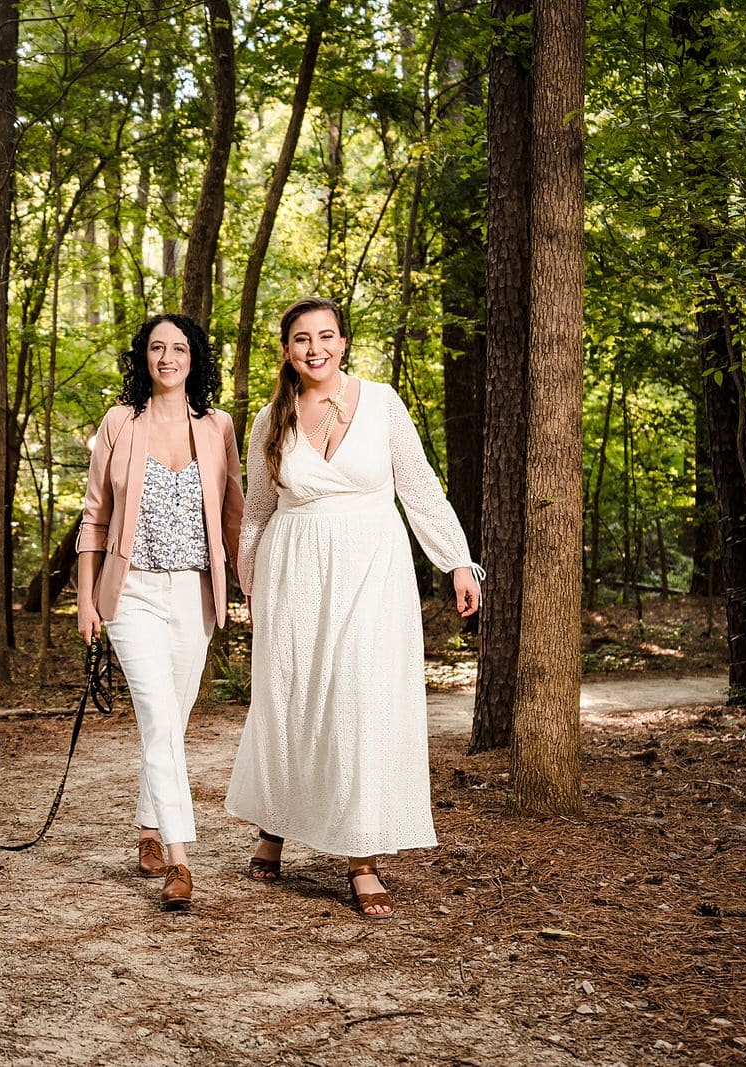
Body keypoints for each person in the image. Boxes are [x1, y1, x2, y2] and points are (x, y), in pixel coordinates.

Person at [224, 297, 483, 919]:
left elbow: (418, 487)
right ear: (286, 349)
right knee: (291, 699)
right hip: (293, 571)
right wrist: (249, 580)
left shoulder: (384, 403)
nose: (315, 349)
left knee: (361, 703)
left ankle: (362, 859)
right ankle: (273, 828)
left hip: (372, 566)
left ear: (344, 341)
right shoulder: (269, 419)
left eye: (326, 336)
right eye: (301, 339)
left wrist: (456, 560)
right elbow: (258, 510)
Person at [78, 313, 243, 911]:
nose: (167, 357)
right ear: (142, 357)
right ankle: (179, 857)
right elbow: (95, 515)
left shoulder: (218, 426)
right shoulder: (121, 423)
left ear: (195, 357)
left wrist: (251, 588)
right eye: (156, 348)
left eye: (179, 348)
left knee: (171, 716)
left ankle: (147, 828)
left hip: (196, 592)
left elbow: (233, 515)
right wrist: (86, 597)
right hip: (133, 593)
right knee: (158, 714)